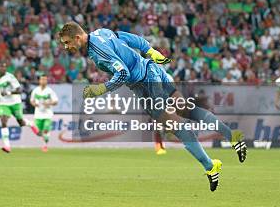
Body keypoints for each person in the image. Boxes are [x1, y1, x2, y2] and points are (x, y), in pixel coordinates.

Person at [58, 22, 247, 191]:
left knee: (174, 125)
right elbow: (132, 39)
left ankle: (209, 166)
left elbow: (122, 73)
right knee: (185, 109)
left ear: (77, 37)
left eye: (67, 43)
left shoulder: (97, 50)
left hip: (145, 82)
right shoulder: (102, 32)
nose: (67, 47)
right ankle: (232, 136)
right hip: (152, 69)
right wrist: (149, 50)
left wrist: (101, 89)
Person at [0, 61, 39, 153]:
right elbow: (0, 90)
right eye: (1, 67)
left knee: (21, 122)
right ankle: (7, 146)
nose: (3, 69)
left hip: (15, 102)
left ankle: (31, 124)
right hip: (4, 103)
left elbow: (19, 90)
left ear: (6, 68)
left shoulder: (10, 77)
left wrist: (8, 93)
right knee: (3, 120)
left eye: (4, 67)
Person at [29, 74, 58, 152]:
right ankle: (31, 124)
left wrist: (49, 103)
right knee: (38, 132)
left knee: (46, 129)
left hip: (47, 113)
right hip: (38, 114)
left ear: (47, 81)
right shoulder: (35, 90)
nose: (43, 81)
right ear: (39, 81)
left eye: (45, 79)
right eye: (42, 79)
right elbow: (32, 100)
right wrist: (34, 104)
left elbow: (55, 101)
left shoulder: (50, 91)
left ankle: (45, 146)